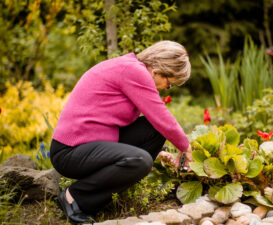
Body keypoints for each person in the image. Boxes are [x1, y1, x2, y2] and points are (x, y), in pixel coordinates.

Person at [50, 40, 193, 224]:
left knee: (153, 130)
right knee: (140, 160)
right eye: (169, 83)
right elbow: (161, 116)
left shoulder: (131, 68)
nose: (166, 88)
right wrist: (186, 148)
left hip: (94, 143)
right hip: (70, 151)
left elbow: (156, 122)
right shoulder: (133, 71)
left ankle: (108, 190)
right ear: (158, 69)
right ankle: (75, 197)